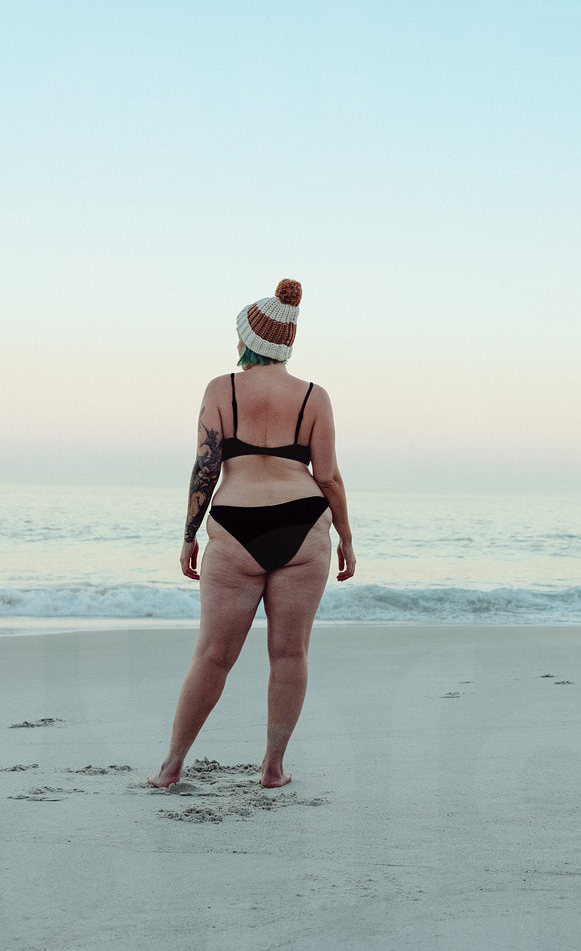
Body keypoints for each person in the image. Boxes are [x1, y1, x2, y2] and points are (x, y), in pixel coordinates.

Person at [148, 279, 355, 789]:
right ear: (286, 344)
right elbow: (328, 477)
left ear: (248, 339)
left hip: (235, 526)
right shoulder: (314, 397)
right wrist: (346, 537)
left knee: (212, 656)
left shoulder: (221, 389)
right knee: (289, 654)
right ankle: (273, 768)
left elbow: (206, 467)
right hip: (303, 525)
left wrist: (189, 534)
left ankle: (171, 766)